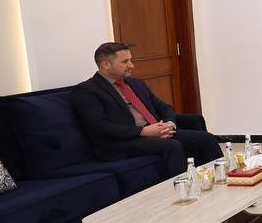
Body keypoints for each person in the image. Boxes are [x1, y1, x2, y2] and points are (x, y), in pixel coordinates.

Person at [71, 42, 222, 176]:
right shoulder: (87, 91)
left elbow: (163, 107)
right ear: (106, 65)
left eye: (130, 60)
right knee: (172, 146)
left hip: (155, 131)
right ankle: (184, 190)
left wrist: (169, 123)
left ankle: (220, 180)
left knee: (206, 138)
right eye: (125, 61)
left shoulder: (135, 83)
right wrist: (143, 131)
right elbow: (100, 127)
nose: (131, 65)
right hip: (123, 141)